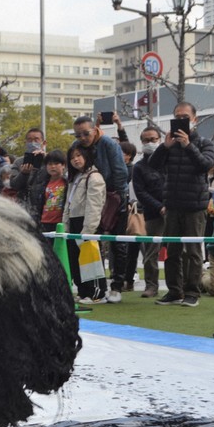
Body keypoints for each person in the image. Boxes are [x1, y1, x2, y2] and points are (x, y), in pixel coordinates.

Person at [149, 101, 214, 307]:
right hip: (172, 204)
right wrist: (164, 146)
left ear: (194, 119)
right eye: (177, 117)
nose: (180, 120)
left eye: (185, 117)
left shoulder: (204, 142)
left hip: (195, 206)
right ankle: (174, 291)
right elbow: (152, 165)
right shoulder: (169, 144)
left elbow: (205, 165)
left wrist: (188, 145)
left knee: (193, 252)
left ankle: (192, 292)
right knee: (172, 251)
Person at [71, 115, 129, 304]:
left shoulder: (109, 144)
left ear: (95, 130)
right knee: (92, 244)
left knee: (118, 243)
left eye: (85, 133)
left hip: (113, 197)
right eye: (78, 135)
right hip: (89, 201)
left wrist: (119, 199)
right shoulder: (76, 146)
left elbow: (121, 172)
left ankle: (117, 286)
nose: (82, 138)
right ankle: (96, 288)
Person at [63, 145, 108, 304]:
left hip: (87, 223)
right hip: (74, 221)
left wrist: (88, 230)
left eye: (78, 155)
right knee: (76, 259)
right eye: (72, 157)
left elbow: (94, 206)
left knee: (91, 259)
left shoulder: (94, 177)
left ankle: (97, 293)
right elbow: (68, 204)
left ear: (86, 156)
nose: (75, 160)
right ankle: (83, 292)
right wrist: (65, 225)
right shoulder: (75, 177)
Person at [132, 127, 165, 298]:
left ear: (160, 139)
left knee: (178, 250)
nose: (150, 142)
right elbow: (140, 192)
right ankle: (151, 285)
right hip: (152, 213)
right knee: (151, 252)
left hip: (174, 212)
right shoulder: (139, 167)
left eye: (153, 139)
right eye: (146, 140)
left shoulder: (169, 160)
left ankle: (179, 286)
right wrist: (159, 207)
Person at [20, 150, 68, 235]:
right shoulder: (42, 183)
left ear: (63, 165)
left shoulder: (67, 182)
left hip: (60, 222)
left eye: (56, 163)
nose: (53, 166)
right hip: (44, 222)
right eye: (50, 164)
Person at [119, 141, 140, 292]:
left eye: (124, 153)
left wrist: (129, 202)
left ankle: (129, 278)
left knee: (132, 247)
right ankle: (120, 277)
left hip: (133, 212)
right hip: (119, 212)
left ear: (130, 156)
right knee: (118, 247)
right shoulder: (116, 168)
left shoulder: (133, 170)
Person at [9, 128, 46, 203]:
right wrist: (23, 174)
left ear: (43, 143)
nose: (33, 143)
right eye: (29, 140)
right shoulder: (18, 162)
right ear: (25, 142)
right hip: (24, 203)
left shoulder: (49, 160)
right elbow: (13, 185)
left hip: (44, 202)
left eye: (36, 139)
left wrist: (46, 159)